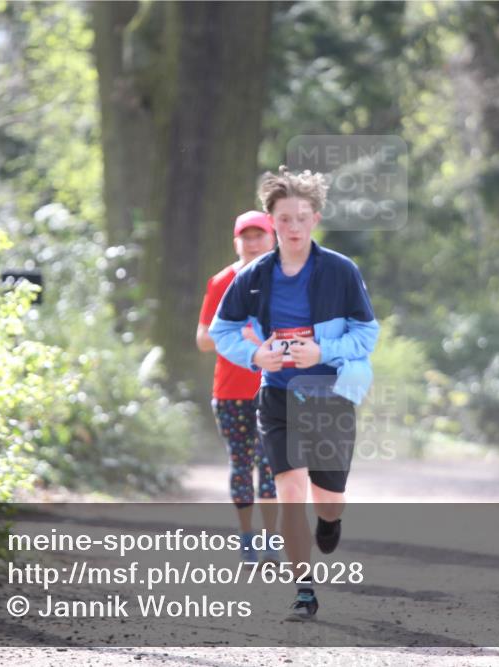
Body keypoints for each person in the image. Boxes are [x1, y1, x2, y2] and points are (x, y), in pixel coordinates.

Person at [209, 167, 379, 620]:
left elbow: (367, 334)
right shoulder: (254, 276)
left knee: (328, 498)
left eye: (302, 217)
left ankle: (330, 522)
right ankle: (304, 591)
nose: (294, 226)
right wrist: (255, 358)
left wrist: (321, 350)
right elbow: (222, 329)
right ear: (273, 222)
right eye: (284, 218)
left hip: (329, 394)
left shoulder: (341, 271)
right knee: (290, 491)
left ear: (315, 219)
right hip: (278, 395)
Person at [196, 210, 279, 563]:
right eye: (246, 236)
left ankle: (272, 541)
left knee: (273, 466)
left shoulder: (286, 280)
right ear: (236, 241)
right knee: (241, 465)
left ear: (272, 238)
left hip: (274, 387)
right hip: (230, 391)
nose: (253, 242)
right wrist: (234, 338)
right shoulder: (221, 282)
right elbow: (202, 339)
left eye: (259, 235)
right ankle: (247, 538)